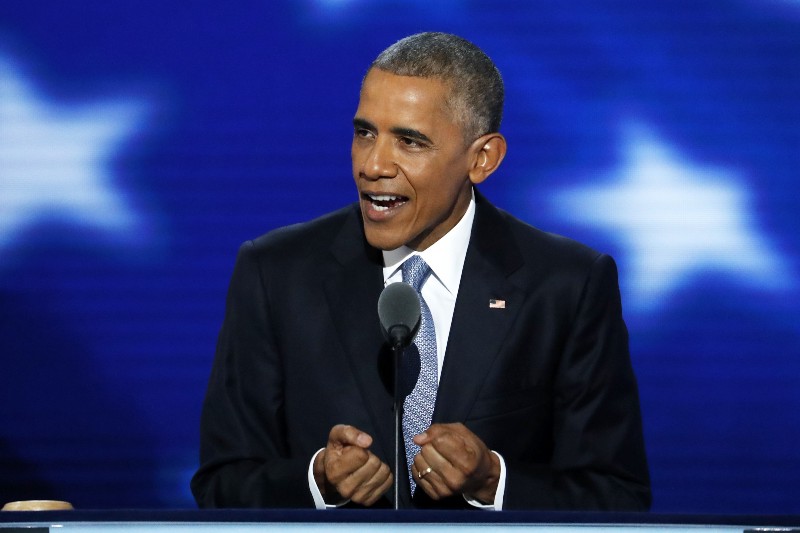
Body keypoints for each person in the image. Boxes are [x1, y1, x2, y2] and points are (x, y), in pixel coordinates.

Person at [191, 32, 650, 511]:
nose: (372, 165)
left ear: (482, 159)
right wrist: (317, 481)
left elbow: (616, 496)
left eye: (409, 141)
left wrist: (493, 480)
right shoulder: (275, 273)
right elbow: (222, 485)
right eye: (365, 132)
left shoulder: (566, 286)